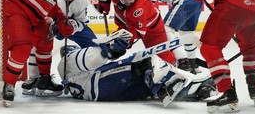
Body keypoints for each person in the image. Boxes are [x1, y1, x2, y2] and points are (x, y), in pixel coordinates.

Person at [2, 0, 81, 106]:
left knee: (47, 37)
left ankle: (44, 79)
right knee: (22, 47)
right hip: (19, 8)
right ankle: (9, 84)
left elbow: (48, 1)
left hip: (37, 15)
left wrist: (60, 18)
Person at [57, 29, 216, 106]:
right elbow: (92, 59)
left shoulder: (73, 73)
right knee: (143, 64)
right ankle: (164, 88)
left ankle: (193, 90)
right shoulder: (68, 61)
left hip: (101, 89)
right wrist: (108, 51)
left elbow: (96, 62)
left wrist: (112, 52)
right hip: (98, 85)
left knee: (146, 78)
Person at [21, 0, 97, 96]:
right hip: (54, 26)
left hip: (72, 28)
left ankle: (90, 71)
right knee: (38, 44)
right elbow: (42, 17)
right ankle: (35, 77)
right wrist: (53, 26)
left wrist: (72, 26)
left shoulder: (82, 0)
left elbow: (83, 22)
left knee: (94, 45)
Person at [96, 0, 175, 64]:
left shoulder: (139, 8)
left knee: (161, 56)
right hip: (127, 22)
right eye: (124, 0)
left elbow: (138, 31)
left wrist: (125, 41)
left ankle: (177, 65)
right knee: (114, 42)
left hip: (152, 28)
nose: (127, 3)